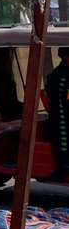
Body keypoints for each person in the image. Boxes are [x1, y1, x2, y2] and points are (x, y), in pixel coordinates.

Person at [44, 46, 69, 175]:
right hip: (62, 116)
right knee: (64, 142)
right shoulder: (59, 76)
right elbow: (66, 97)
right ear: (65, 57)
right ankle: (65, 167)